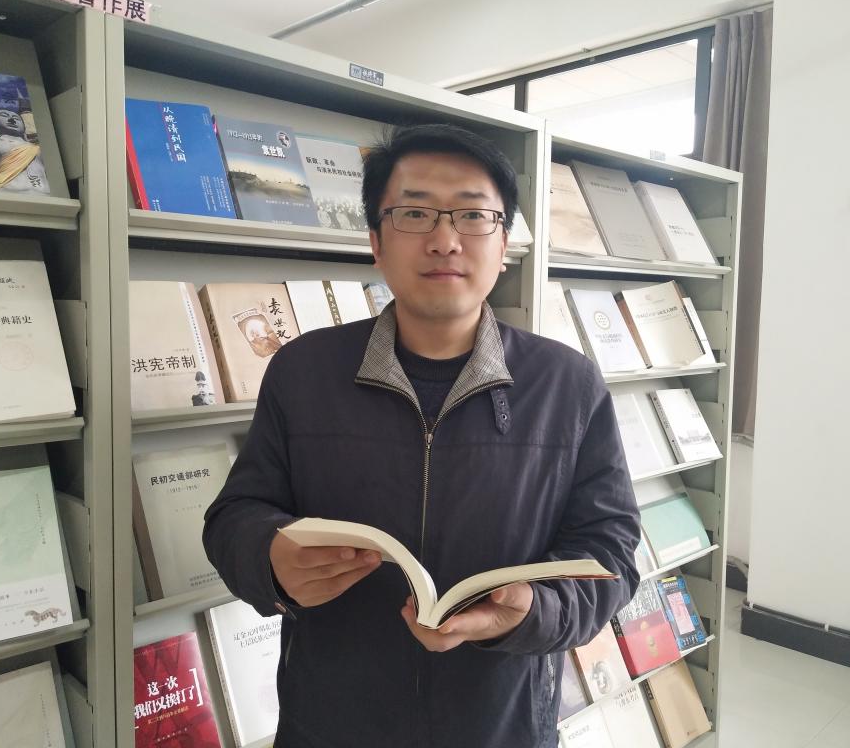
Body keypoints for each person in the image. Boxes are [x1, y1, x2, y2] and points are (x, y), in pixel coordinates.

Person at [202, 123, 640, 747]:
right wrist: (269, 559)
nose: (444, 240)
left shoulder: (568, 384)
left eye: (472, 215)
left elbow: (611, 555)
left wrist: (533, 610)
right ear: (375, 243)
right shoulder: (303, 372)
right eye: (414, 214)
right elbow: (235, 514)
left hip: (501, 725)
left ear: (504, 244)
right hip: (329, 723)